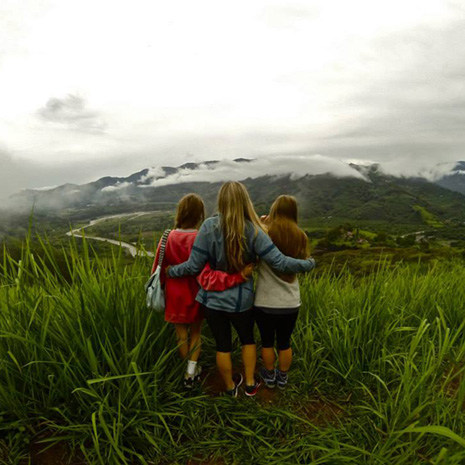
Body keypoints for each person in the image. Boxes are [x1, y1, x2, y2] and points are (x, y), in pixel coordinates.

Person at [167, 182, 316, 397]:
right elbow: (281, 263)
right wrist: (308, 264)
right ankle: (249, 384)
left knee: (222, 345)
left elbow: (193, 266)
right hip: (241, 301)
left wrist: (171, 272)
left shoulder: (208, 227)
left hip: (212, 301)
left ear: (221, 201)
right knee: (248, 341)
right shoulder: (253, 230)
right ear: (245, 201)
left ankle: (229, 387)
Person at [153, 193, 244, 388]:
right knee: (195, 333)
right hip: (196, 291)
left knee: (181, 335)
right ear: (199, 214)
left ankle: (186, 369)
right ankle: (191, 372)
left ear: (181, 212)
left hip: (174, 294)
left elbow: (157, 269)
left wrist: (162, 285)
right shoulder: (200, 236)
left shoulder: (166, 237)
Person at [254, 195, 310, 389]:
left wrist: (261, 223)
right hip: (290, 301)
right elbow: (301, 264)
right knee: (285, 342)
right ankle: (283, 378)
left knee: (267, 342)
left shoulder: (265, 233)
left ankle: (269, 376)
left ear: (274, 210)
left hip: (265, 300)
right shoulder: (301, 236)